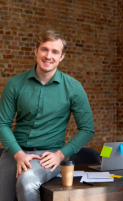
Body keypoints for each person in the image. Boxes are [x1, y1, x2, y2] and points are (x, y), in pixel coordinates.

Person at [0, 30, 94, 201]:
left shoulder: (73, 87)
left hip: (48, 156)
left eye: (55, 52)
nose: (48, 56)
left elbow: (87, 129)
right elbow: (2, 123)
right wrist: (18, 154)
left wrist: (60, 155)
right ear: (36, 51)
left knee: (27, 181)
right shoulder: (14, 84)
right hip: (15, 153)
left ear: (62, 57)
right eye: (44, 49)